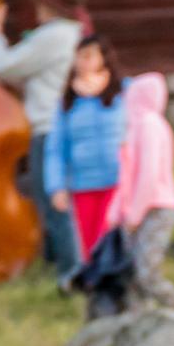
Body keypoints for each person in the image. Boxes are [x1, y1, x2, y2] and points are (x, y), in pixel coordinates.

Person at [0, 0, 91, 271]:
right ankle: (57, 264)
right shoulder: (75, 32)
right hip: (61, 126)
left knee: (52, 204)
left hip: (48, 129)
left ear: (51, 5)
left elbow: (5, 65)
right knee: (53, 199)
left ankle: (71, 273)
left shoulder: (53, 36)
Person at [107, 72, 174, 314]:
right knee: (132, 273)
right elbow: (126, 176)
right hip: (135, 211)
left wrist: (135, 214)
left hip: (155, 209)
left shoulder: (150, 125)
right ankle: (138, 320)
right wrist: (117, 211)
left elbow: (149, 174)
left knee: (147, 272)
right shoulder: (133, 128)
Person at [43, 35, 124, 272]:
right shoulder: (68, 101)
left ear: (103, 59)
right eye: (80, 56)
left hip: (116, 180)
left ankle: (120, 286)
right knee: (89, 244)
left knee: (114, 237)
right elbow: (55, 148)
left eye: (89, 56)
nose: (83, 62)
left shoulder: (120, 94)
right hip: (83, 183)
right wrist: (56, 186)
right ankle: (95, 289)